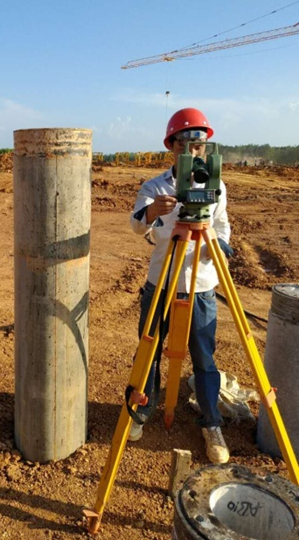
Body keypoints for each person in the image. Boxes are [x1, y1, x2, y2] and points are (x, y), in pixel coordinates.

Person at [129, 108, 233, 464]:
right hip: (162, 282)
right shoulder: (155, 187)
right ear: (171, 146)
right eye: (185, 143)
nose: (193, 150)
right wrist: (153, 212)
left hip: (201, 283)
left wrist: (218, 245)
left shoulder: (216, 185)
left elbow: (222, 225)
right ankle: (141, 410)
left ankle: (211, 422)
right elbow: (137, 226)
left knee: (204, 355)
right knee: (150, 349)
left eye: (199, 144)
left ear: (207, 147)